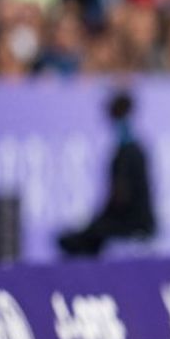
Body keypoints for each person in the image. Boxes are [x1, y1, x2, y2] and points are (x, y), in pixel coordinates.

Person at [58, 90, 157, 257]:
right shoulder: (133, 148)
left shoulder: (126, 152)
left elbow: (120, 195)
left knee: (76, 241)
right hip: (137, 219)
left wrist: (99, 221)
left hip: (133, 222)